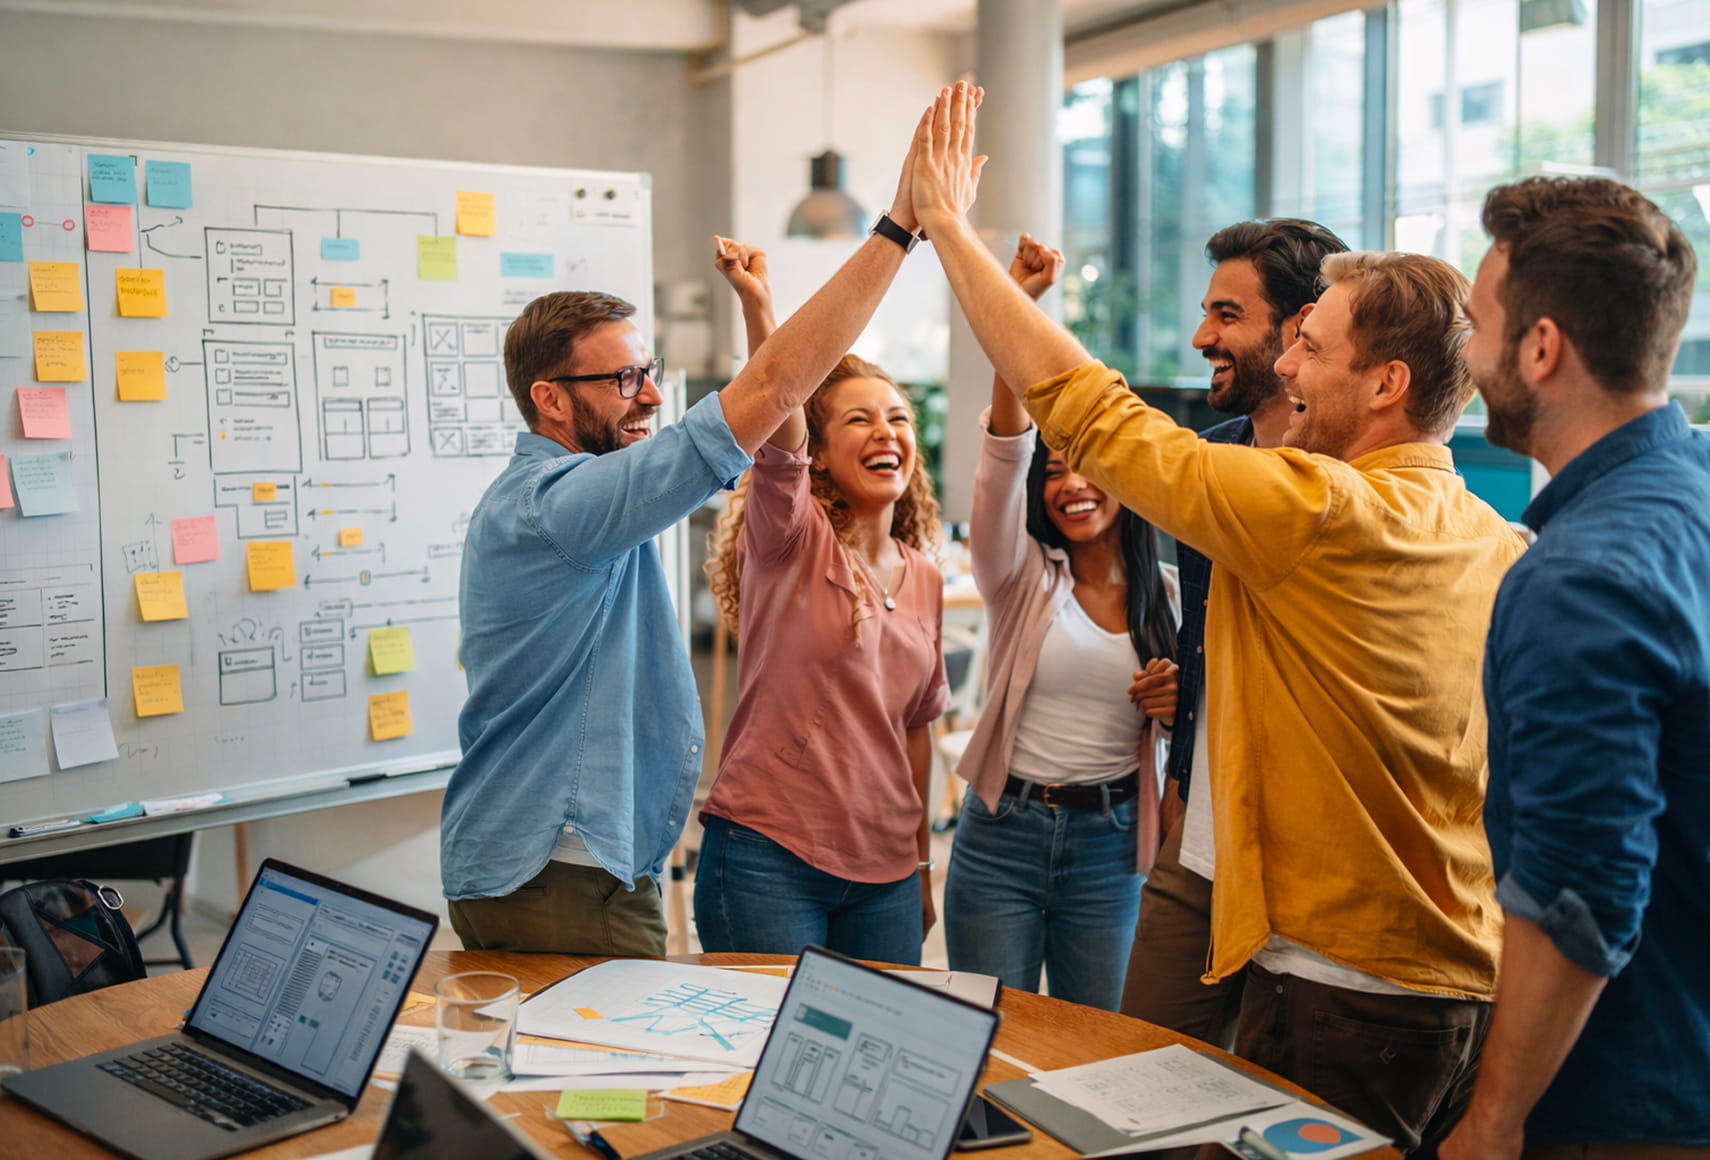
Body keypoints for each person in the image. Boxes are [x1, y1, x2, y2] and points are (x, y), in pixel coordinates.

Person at [907, 85, 1526, 1152]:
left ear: (1384, 381)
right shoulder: (1489, 533)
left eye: (1311, 349)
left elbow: (1094, 413)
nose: (1285, 365)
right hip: (1428, 965)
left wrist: (945, 226)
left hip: (1350, 986)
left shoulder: (1323, 506)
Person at [440, 95, 953, 956]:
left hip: (584, 865)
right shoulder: (566, 504)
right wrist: (898, 225)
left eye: (651, 370)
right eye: (622, 379)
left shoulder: (584, 495)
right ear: (551, 399)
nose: (648, 393)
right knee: (601, 1093)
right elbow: (774, 400)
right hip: (559, 873)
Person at [1441, 178, 1710, 1160]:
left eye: (1479, 324)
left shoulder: (1578, 580)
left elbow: (1581, 899)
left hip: (1623, 1099)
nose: (1468, 354)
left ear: (1542, 346)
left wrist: (1492, 1120)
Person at [692, 232, 953, 967]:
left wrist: (924, 861)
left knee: (866, 1067)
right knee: (761, 1056)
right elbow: (778, 405)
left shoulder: (924, 577)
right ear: (822, 455)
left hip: (888, 875)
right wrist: (759, 305)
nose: (886, 433)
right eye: (860, 420)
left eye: (898, 417)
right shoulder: (791, 540)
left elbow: (915, 734)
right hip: (768, 857)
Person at [1120, 217, 1348, 1042]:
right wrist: (1185, 746)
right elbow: (1211, 638)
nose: (1200, 336)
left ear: (1299, 329)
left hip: (1311, 846)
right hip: (1201, 826)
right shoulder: (1210, 458)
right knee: (1141, 1058)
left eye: (1227, 315)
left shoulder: (1351, 480)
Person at [942, 233, 1180, 1011]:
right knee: (987, 1039)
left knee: (1094, 1044)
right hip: (1002, 834)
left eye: (1089, 466)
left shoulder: (1174, 600)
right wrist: (1020, 309)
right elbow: (1003, 456)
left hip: (1112, 849)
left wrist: (1180, 708)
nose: (1072, 485)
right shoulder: (1018, 578)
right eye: (1056, 470)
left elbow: (1206, 742)